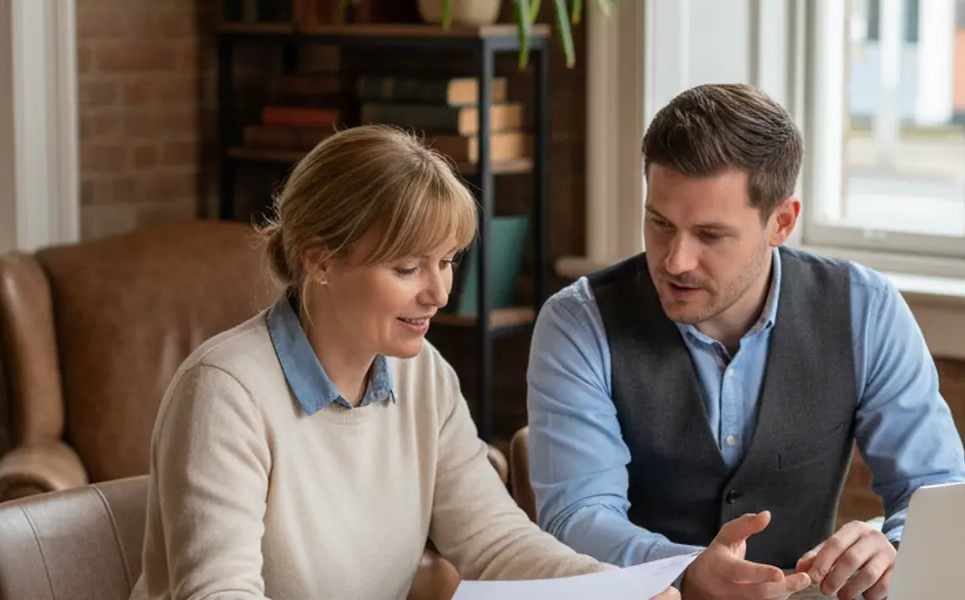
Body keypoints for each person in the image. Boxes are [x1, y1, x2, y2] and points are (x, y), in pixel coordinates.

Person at [127, 125, 678, 600]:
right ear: (320, 260)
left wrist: (618, 586)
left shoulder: (424, 375)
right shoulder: (226, 392)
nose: (439, 293)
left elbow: (495, 540)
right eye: (409, 268)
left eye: (446, 262)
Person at [526, 83, 965, 600]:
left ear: (781, 222)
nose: (675, 261)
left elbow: (938, 492)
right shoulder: (577, 323)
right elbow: (577, 516)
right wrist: (687, 569)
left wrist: (892, 544)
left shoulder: (865, 309)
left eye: (710, 235)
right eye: (660, 224)